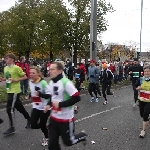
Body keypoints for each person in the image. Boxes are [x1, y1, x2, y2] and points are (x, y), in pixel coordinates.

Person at [37, 62, 87, 150]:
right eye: (49, 69)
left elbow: (76, 98)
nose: (49, 71)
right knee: (52, 144)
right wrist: (48, 105)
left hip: (66, 119)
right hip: (54, 118)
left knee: (68, 142)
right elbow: (52, 97)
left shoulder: (66, 82)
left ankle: (83, 136)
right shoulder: (51, 82)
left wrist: (60, 104)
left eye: (52, 69)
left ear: (60, 71)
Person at [0, 53, 31, 136]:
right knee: (19, 107)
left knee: (9, 109)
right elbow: (8, 79)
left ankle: (12, 127)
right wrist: (2, 79)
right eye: (5, 58)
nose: (5, 59)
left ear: (12, 59)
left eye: (7, 58)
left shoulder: (16, 68)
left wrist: (16, 80)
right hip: (9, 89)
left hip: (15, 91)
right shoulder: (5, 68)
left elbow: (25, 77)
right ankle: (29, 119)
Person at [27, 66, 50, 146]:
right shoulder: (30, 82)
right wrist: (29, 95)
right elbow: (33, 91)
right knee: (33, 125)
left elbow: (49, 95)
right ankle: (47, 127)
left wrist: (40, 94)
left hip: (45, 107)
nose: (31, 74)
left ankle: (47, 137)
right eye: (30, 73)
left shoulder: (43, 83)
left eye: (33, 73)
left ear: (38, 74)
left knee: (42, 124)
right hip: (36, 106)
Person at [136, 65, 150, 138]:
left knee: (145, 114)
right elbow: (135, 86)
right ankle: (147, 120)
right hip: (141, 100)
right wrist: (137, 87)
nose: (146, 73)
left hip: (149, 101)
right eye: (145, 71)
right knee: (142, 114)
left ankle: (143, 131)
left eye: (148, 71)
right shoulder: (141, 79)